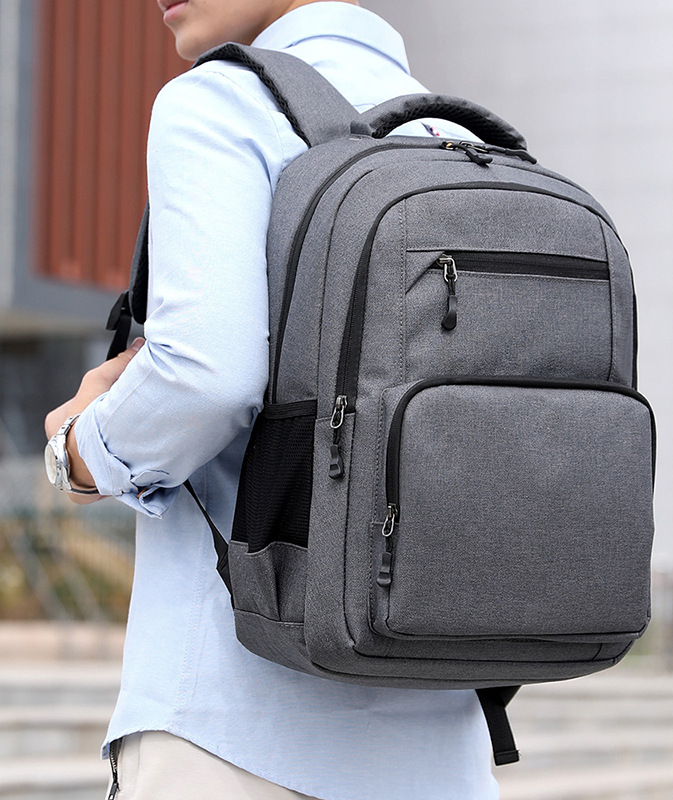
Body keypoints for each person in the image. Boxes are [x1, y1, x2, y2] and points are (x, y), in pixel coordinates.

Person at [44, 1, 498, 798]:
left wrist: (81, 451)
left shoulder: (221, 100)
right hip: (442, 739)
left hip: (232, 733)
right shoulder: (464, 140)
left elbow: (204, 377)